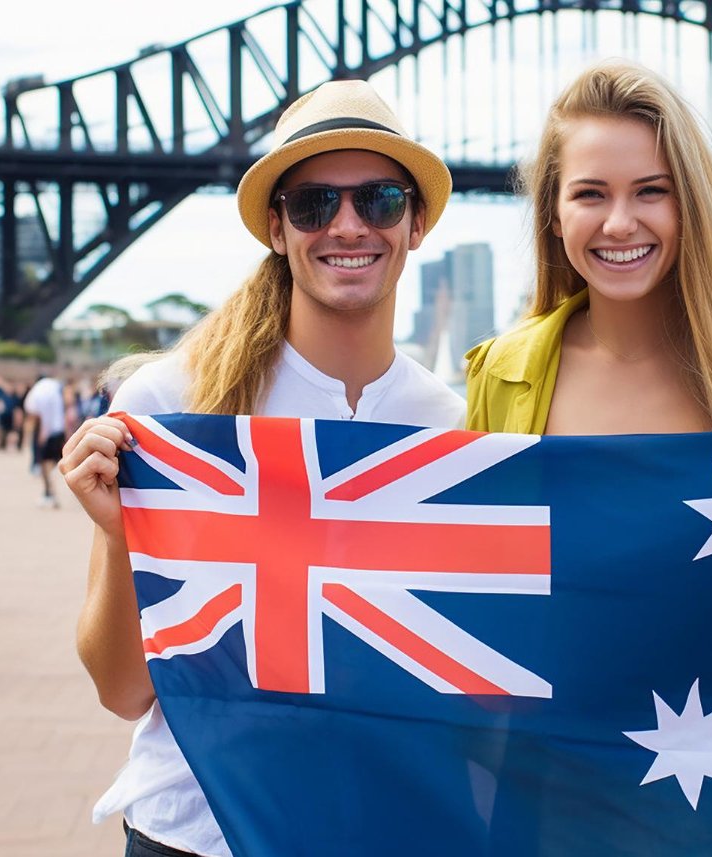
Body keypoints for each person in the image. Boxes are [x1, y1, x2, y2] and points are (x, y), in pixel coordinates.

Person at [58, 79, 461, 857]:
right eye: (314, 204)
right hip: (197, 835)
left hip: (376, 829)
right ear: (277, 228)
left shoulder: (448, 425)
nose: (347, 225)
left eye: (377, 199)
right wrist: (120, 537)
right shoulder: (173, 404)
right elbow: (122, 691)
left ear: (415, 224)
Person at [466, 61, 712, 617]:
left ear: (690, 206)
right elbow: (478, 586)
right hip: (563, 703)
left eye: (650, 191)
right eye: (590, 194)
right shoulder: (503, 369)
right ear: (554, 216)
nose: (618, 224)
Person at [23, 373, 65, 508]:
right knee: (53, 463)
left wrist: (41, 433)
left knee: (45, 465)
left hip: (48, 432)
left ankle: (50, 493)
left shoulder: (37, 393)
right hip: (59, 430)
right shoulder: (54, 387)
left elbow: (39, 414)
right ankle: (51, 492)